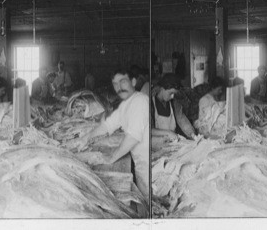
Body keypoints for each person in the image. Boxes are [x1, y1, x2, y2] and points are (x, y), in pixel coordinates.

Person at [74, 69, 149, 202]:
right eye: (115, 84)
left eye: (123, 82)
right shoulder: (126, 105)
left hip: (146, 162)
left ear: (133, 82)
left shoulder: (141, 101)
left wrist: (111, 158)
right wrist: (86, 138)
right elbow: (107, 126)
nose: (119, 88)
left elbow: (133, 137)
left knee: (147, 200)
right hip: (139, 160)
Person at [151, 73, 196, 142]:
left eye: (174, 94)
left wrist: (192, 134)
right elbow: (148, 130)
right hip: (156, 145)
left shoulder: (174, 103)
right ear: (162, 88)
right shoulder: (150, 103)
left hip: (171, 144)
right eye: (171, 93)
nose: (172, 96)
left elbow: (182, 121)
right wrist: (168, 133)